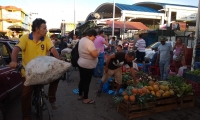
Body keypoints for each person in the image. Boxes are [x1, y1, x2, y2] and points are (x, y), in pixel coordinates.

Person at [9, 18, 60, 120]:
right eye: (44, 28)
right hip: (28, 73)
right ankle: (26, 115)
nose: (46, 30)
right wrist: (14, 61)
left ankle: (51, 99)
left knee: (57, 76)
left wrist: (58, 61)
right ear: (37, 29)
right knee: (25, 96)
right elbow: (15, 50)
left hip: (43, 71)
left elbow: (53, 50)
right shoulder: (25, 38)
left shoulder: (46, 39)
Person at [77, 29, 99, 104]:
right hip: (87, 65)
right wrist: (98, 52)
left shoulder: (82, 39)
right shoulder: (89, 42)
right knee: (86, 82)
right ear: (91, 35)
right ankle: (86, 98)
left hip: (81, 63)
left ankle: (80, 95)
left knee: (82, 80)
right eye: (94, 36)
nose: (95, 38)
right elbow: (95, 55)